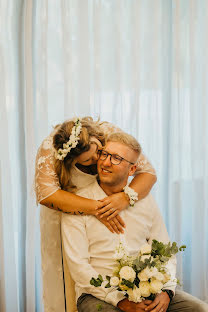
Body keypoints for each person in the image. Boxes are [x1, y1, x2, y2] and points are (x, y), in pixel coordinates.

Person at [61, 131, 208, 312]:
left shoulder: (145, 201)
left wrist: (167, 291)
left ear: (132, 169)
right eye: (105, 154)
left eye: (116, 158)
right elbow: (79, 267)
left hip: (150, 290)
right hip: (97, 294)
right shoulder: (77, 204)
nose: (106, 162)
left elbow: (164, 248)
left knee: (200, 309)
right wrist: (120, 300)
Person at [35, 117, 157, 311]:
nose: (98, 163)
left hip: (110, 203)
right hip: (66, 212)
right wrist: (98, 208)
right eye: (86, 161)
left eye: (99, 152)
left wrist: (123, 199)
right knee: (68, 278)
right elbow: (46, 194)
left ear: (98, 139)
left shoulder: (109, 132)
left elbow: (148, 173)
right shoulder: (51, 148)